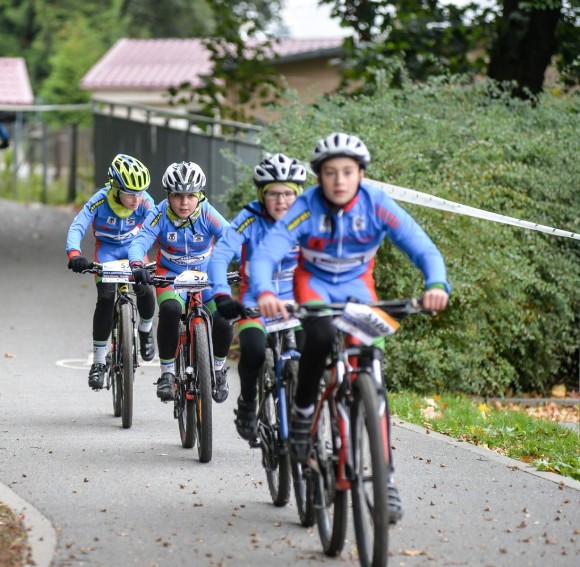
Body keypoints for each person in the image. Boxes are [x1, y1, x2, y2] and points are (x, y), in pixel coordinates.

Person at [250, 132, 450, 523]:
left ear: (361, 173)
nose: (339, 180)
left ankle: (385, 477)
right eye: (330, 173)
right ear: (319, 176)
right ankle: (305, 413)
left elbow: (422, 247)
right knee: (320, 336)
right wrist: (263, 291)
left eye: (347, 172)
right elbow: (268, 251)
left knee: (371, 357)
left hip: (359, 288)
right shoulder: (306, 207)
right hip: (315, 285)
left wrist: (436, 285)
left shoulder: (377, 205)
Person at [208, 153, 308, 440]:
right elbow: (221, 255)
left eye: (288, 193)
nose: (281, 201)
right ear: (262, 195)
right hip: (255, 301)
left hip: (295, 300)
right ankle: (249, 403)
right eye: (273, 194)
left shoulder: (306, 218)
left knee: (313, 351)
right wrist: (222, 294)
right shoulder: (250, 217)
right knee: (251, 352)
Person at [128, 161, 234, 403]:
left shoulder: (207, 212)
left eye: (190, 196)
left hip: (207, 275)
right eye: (177, 196)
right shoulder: (159, 212)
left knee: (225, 316)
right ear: (168, 195)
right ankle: (167, 374)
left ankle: (217, 370)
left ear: (200, 195)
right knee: (170, 309)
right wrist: (136, 263)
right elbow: (140, 240)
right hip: (171, 274)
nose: (184, 203)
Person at [66, 154, 158, 389]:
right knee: (106, 298)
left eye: (140, 192)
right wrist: (74, 254)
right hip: (106, 251)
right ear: (115, 188)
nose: (136, 199)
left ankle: (146, 330)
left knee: (146, 289)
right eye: (130, 193)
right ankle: (98, 362)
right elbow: (78, 225)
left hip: (133, 249)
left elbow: (159, 224)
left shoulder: (144, 201)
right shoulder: (100, 199)